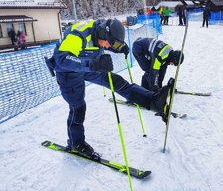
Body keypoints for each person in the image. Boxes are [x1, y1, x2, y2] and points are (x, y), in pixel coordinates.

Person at [45, 18, 172, 159]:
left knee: (116, 82)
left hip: (89, 65)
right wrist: (93, 64)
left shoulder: (100, 31)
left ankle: (152, 100)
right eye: (108, 43)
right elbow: (62, 59)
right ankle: (75, 143)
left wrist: (118, 48)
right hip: (68, 71)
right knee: (78, 107)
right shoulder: (78, 35)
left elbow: (105, 41)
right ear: (103, 35)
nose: (107, 47)